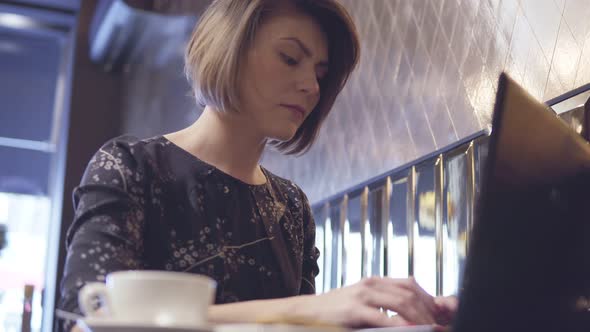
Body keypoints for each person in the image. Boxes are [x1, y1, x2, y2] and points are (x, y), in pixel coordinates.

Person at [59, 0, 457, 331]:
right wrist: (301, 311)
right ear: (226, 48)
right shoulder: (130, 167)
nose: (312, 87)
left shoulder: (291, 206)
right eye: (290, 58)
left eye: (320, 73)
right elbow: (84, 323)